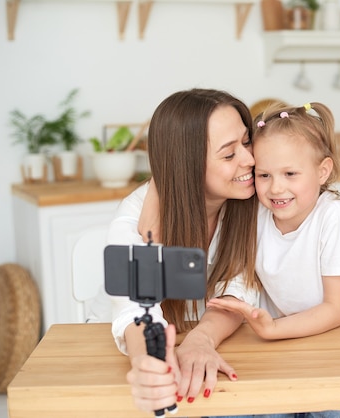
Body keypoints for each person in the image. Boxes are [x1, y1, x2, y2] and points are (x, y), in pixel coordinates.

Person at [206, 102, 340, 418]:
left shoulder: (334, 217)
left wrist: (271, 329)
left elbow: (335, 310)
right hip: (283, 349)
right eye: (264, 174)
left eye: (290, 174)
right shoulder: (255, 215)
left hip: (335, 344)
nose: (275, 187)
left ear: (322, 171)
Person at [107, 88, 260, 413]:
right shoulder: (134, 218)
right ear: (187, 165)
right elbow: (134, 311)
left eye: (246, 142)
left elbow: (240, 288)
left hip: (223, 344)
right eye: (229, 154)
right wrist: (149, 366)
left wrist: (201, 339)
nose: (249, 159)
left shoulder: (254, 201)